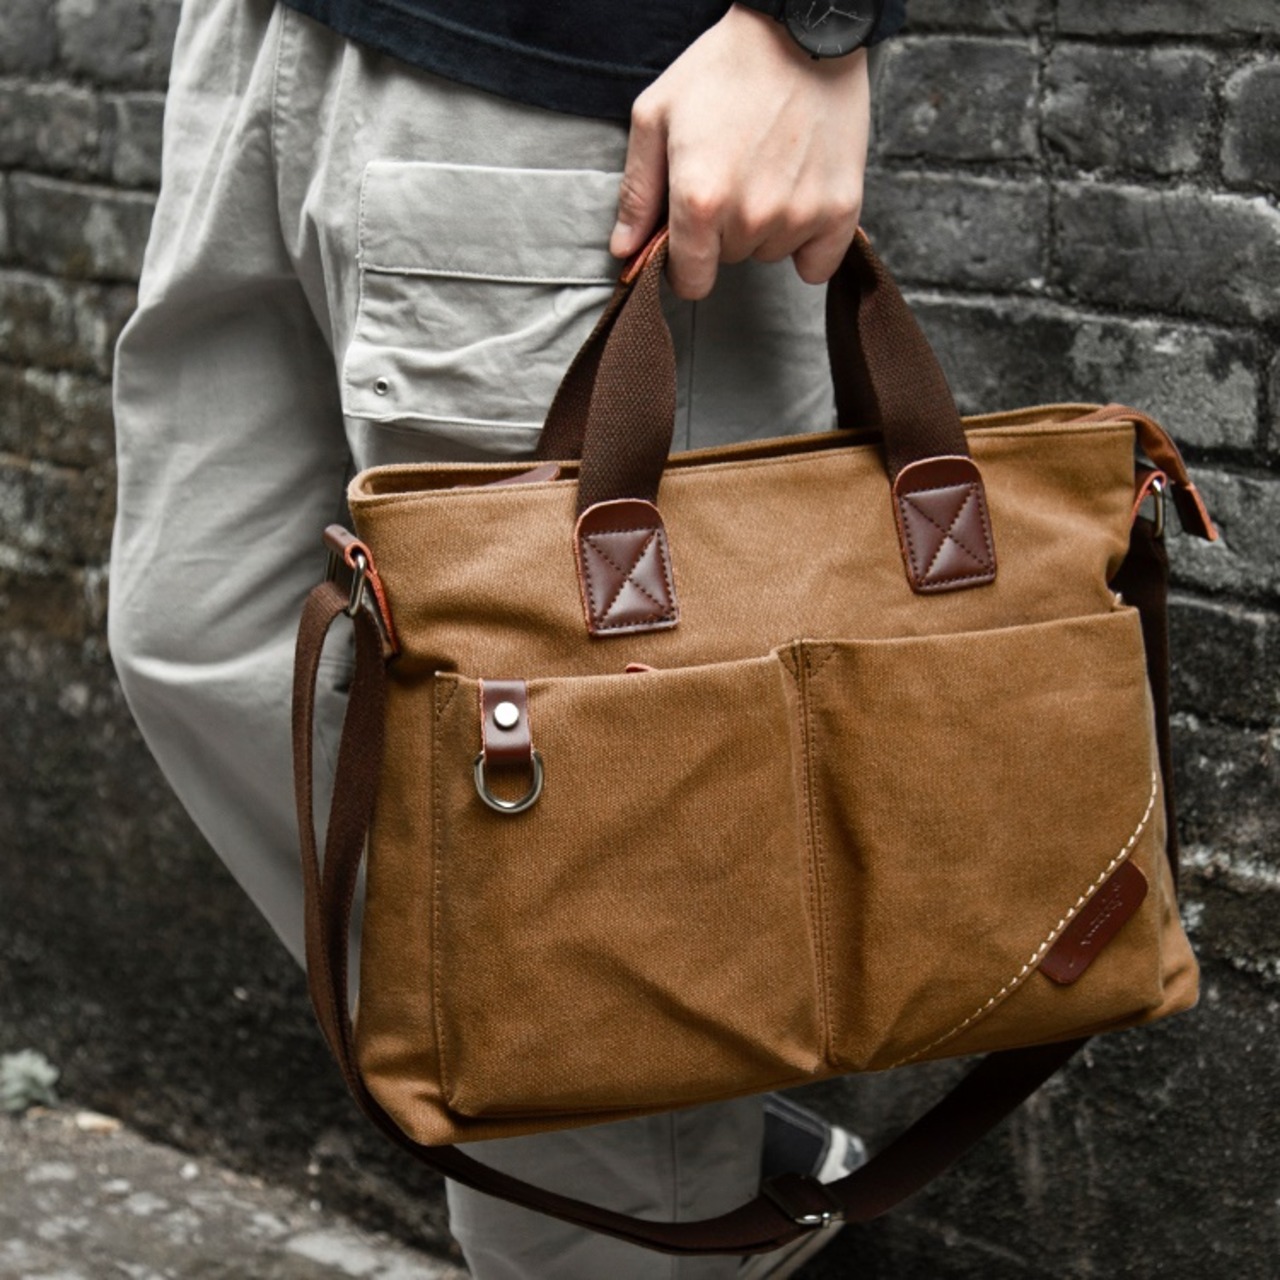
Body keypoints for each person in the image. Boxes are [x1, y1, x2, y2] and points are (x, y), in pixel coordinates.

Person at [108, 2, 904, 1276]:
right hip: (264, 45)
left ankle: (658, 1191)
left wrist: (808, 27)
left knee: (589, 798)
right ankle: (677, 1112)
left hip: (557, 93)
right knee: (197, 633)